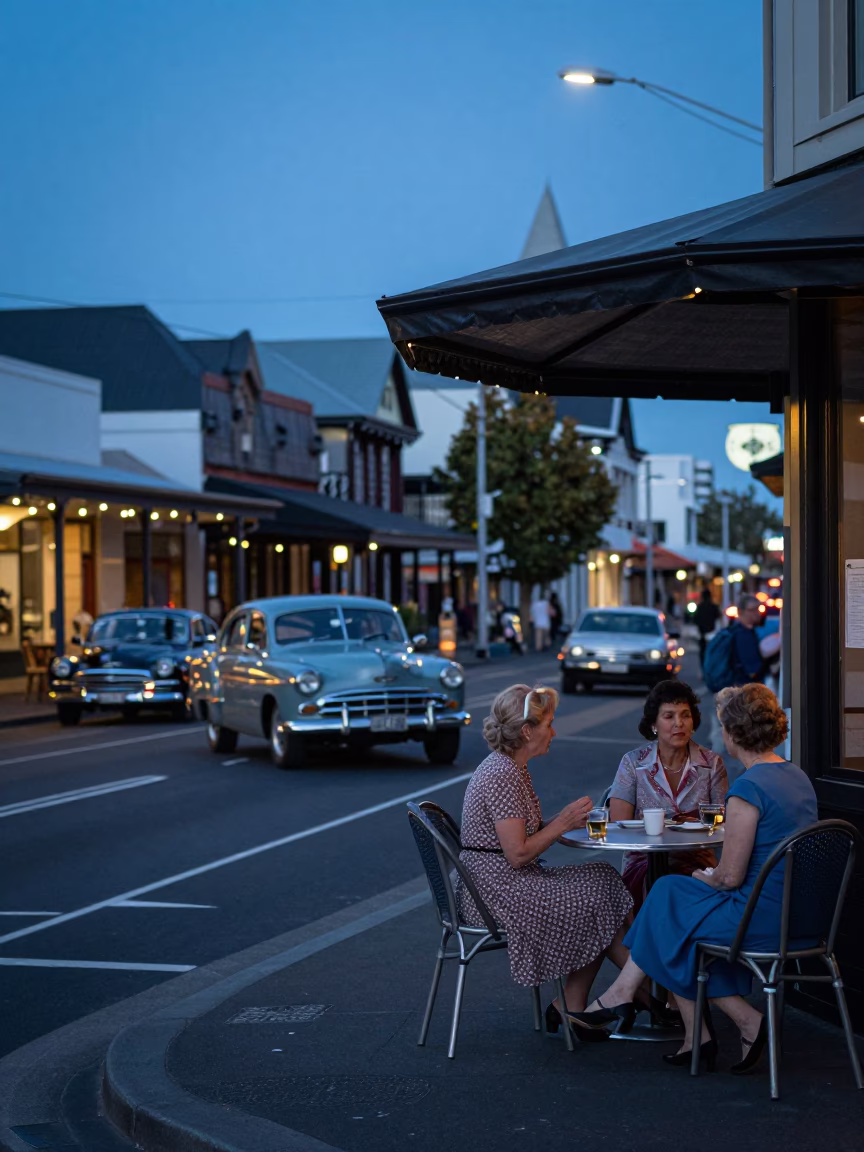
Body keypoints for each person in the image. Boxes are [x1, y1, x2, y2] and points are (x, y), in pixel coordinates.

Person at [571, 684, 816, 1075]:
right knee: (668, 893)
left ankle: (629, 994)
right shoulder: (797, 776)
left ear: (734, 733)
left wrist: (706, 876)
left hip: (760, 916)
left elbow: (730, 877)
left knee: (672, 913)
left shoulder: (746, 789)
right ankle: (697, 1033)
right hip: (804, 913)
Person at [455, 683, 633, 1039]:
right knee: (594, 898)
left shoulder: (511, 767)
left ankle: (575, 1004)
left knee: (602, 878)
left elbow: (524, 832)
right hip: (494, 892)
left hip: (498, 880)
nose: (554, 731)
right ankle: (649, 993)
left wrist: (561, 822)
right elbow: (518, 853)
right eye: (549, 723)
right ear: (526, 731)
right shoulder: (503, 773)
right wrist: (564, 822)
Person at [609, 680, 727, 912]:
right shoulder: (633, 763)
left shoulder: (712, 763)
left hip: (697, 861)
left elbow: (724, 822)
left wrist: (702, 824)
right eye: (669, 716)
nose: (678, 724)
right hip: (644, 861)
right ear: (654, 723)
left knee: (684, 887)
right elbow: (618, 825)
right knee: (656, 886)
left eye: (685, 715)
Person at [706, 594, 767, 753]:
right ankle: (722, 771)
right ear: (741, 612)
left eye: (758, 609)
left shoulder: (731, 631)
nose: (757, 613)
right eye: (752, 610)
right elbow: (752, 669)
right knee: (733, 738)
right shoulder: (744, 635)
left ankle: (716, 770)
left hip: (723, 691)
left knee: (720, 734)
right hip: (737, 693)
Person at [693, 589, 720, 669]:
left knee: (703, 653)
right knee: (712, 652)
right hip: (712, 633)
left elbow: (695, 619)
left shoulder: (700, 607)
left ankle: (704, 669)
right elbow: (717, 617)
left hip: (702, 633)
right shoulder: (713, 606)